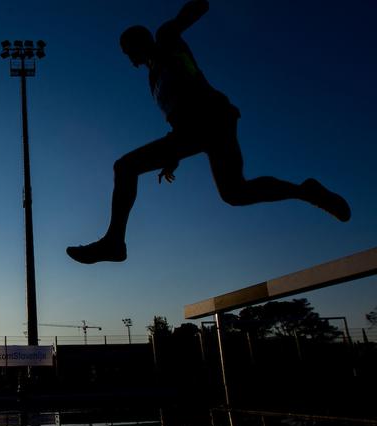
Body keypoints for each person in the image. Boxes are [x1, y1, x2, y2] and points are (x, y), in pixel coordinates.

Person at [67, 0, 350, 265]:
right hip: (196, 129)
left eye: (128, 51)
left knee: (125, 166)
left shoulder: (166, 39)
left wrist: (195, 8)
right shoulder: (152, 77)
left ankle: (115, 242)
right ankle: (306, 191)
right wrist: (172, 156)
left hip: (212, 118)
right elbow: (177, 114)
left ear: (138, 43)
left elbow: (192, 12)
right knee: (235, 193)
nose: (129, 59)